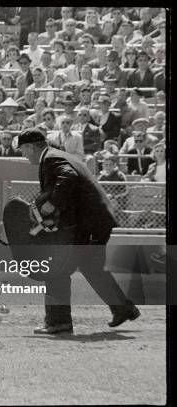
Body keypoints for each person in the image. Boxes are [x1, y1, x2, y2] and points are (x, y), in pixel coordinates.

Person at [17, 128, 140, 334]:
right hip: (96, 221)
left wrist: (52, 203)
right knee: (91, 268)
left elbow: (68, 177)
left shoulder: (51, 159)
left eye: (22, 149)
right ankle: (123, 308)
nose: (22, 154)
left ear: (31, 147)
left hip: (89, 224)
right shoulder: (59, 155)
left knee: (56, 269)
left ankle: (58, 322)